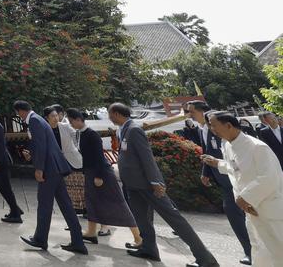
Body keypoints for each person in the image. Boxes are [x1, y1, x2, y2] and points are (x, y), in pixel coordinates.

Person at [109, 102, 219, 267]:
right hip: (132, 185)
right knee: (142, 219)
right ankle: (149, 249)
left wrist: (156, 182)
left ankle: (205, 258)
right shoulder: (122, 130)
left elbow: (147, 158)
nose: (109, 117)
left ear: (117, 114)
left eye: (110, 114)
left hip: (147, 185)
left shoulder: (134, 130)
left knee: (174, 219)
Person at [202, 112, 283, 267]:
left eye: (213, 125)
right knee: (259, 249)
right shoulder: (227, 144)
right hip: (250, 209)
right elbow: (235, 168)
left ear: (228, 126)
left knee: (278, 249)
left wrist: (244, 197)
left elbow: (269, 177)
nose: (212, 129)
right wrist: (218, 163)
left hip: (269, 208)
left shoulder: (257, 147)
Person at [12, 100, 87, 255]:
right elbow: (41, 145)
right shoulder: (39, 119)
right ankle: (78, 241)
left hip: (49, 169)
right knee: (66, 205)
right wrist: (32, 155)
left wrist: (39, 169)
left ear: (20, 111)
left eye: (17, 113)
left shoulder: (34, 120)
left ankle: (40, 239)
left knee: (44, 205)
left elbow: (41, 146)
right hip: (56, 168)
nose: (18, 115)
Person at [185, 101, 252, 265]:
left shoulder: (218, 125)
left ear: (203, 112)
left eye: (191, 112)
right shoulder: (203, 129)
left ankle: (251, 252)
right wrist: (205, 172)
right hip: (224, 178)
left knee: (238, 214)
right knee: (238, 214)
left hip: (236, 177)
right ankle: (251, 251)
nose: (189, 115)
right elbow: (207, 151)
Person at [66, 109, 142, 246]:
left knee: (118, 204)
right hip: (90, 173)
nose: (70, 124)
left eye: (71, 121)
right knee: (91, 202)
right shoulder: (80, 134)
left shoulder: (91, 134)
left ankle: (138, 238)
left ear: (78, 119)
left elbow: (99, 157)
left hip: (101, 174)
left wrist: (99, 175)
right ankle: (91, 232)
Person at [48, 104, 86, 214]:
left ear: (60, 114)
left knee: (80, 186)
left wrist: (75, 148)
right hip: (60, 163)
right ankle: (75, 211)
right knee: (69, 188)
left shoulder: (65, 126)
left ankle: (86, 209)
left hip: (73, 159)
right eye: (52, 116)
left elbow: (76, 136)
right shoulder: (47, 128)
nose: (55, 118)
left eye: (56, 115)